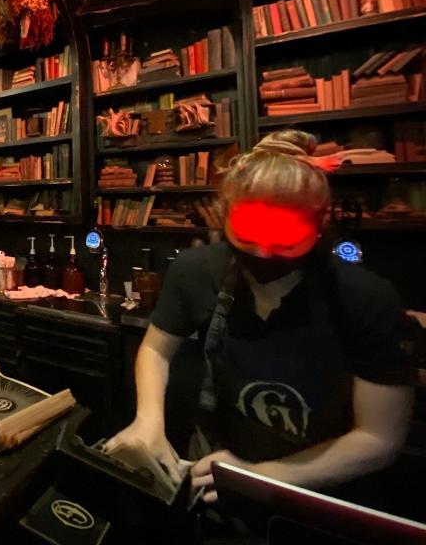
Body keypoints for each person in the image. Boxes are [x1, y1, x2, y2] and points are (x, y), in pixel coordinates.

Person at [105, 130, 414, 506]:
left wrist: (272, 475)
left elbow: (379, 439)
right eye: (251, 228)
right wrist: (148, 420)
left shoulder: (366, 298)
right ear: (225, 214)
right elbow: (156, 348)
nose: (264, 248)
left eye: (286, 232)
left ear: (318, 224)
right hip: (216, 476)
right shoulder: (195, 271)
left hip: (317, 495)